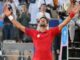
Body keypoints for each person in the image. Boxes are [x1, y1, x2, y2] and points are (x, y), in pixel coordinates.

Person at [3, 4, 80, 60]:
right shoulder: (34, 33)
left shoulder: (51, 32)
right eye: (41, 19)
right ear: (38, 23)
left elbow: (63, 23)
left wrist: (73, 14)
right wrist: (10, 16)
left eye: (45, 19)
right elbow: (19, 26)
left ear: (47, 23)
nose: (43, 19)